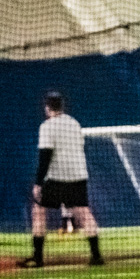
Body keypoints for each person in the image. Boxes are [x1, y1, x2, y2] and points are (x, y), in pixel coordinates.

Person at [18, 92, 103, 268]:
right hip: (78, 175)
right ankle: (96, 256)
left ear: (47, 108)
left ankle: (38, 257)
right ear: (62, 106)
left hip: (57, 177)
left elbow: (45, 155)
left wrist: (38, 183)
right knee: (84, 213)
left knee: (39, 210)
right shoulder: (74, 123)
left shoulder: (47, 126)